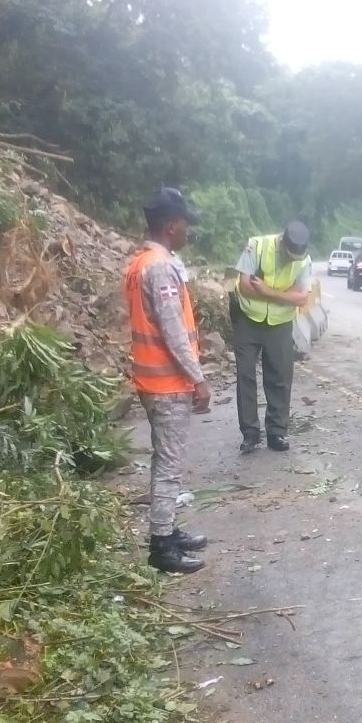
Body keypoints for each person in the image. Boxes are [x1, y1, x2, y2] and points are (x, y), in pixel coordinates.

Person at [123, 188, 212, 574]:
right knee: (169, 466)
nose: (188, 231)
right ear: (171, 225)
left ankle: (168, 531)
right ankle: (162, 548)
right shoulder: (159, 268)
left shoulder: (142, 262)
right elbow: (174, 331)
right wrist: (199, 379)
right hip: (168, 384)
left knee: (166, 462)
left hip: (152, 380)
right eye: (185, 224)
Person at [233, 220, 313, 454]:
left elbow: (301, 298)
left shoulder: (304, 261)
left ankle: (277, 432)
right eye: (289, 256)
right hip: (248, 320)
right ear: (281, 244)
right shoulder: (257, 246)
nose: (293, 261)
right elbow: (246, 286)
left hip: (280, 325)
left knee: (280, 377)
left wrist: (267, 291)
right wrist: (284, 296)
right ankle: (250, 433)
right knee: (246, 376)